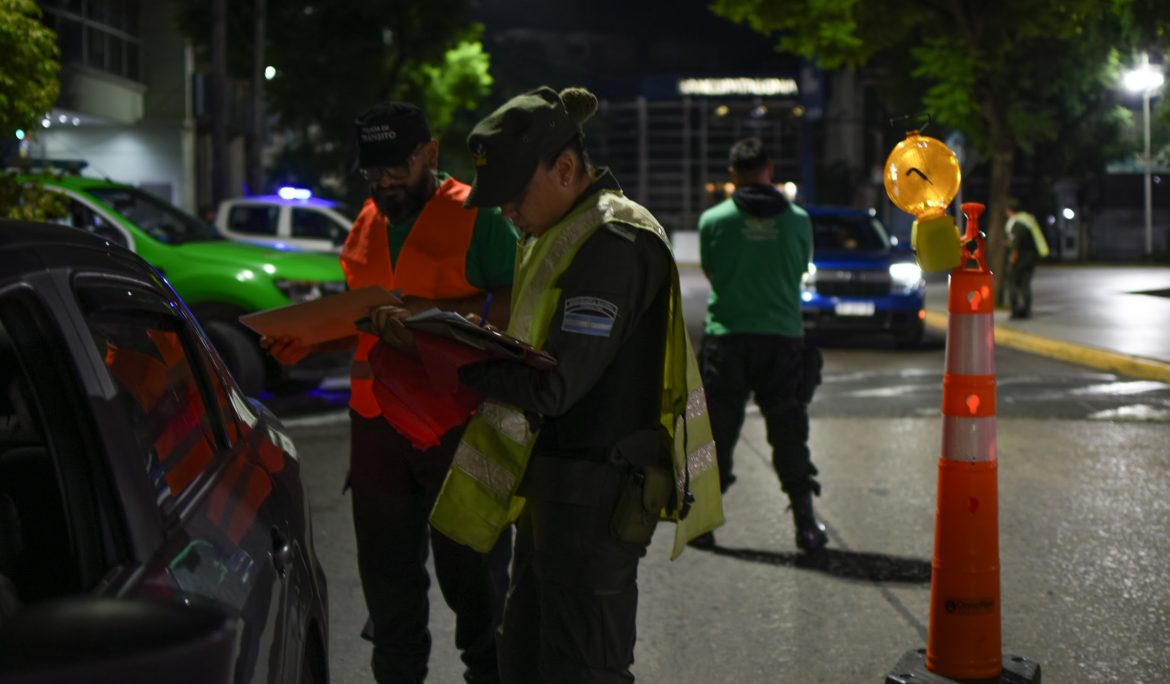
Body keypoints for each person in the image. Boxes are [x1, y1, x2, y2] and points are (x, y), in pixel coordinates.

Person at [415, 86, 723, 683]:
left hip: (595, 496)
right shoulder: (562, 231)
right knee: (527, 660)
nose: (505, 212)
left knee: (585, 669)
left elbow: (557, 385)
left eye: (512, 195)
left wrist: (459, 364)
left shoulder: (612, 242)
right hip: (559, 491)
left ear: (564, 168)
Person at [262, 101, 515, 684]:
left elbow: (515, 302)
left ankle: (492, 671)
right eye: (371, 171)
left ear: (429, 154)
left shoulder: (478, 215)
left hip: (457, 423)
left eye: (394, 168)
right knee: (386, 580)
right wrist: (308, 340)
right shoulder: (367, 221)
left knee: (474, 575)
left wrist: (440, 311)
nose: (381, 182)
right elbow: (365, 318)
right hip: (376, 427)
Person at [694, 137, 827, 553]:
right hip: (783, 341)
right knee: (789, 431)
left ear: (733, 175)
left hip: (728, 340)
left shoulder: (713, 221)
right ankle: (805, 523)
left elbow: (714, 272)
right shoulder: (800, 221)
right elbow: (799, 271)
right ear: (770, 171)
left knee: (716, 435)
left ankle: (703, 524)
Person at [1004, 199, 1049, 319]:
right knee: (1025, 283)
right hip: (1032, 257)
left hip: (1020, 257)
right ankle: (1027, 310)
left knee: (1012, 282)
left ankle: (1015, 310)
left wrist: (1012, 257)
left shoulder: (1017, 223)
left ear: (1010, 210)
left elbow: (1015, 242)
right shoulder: (1028, 219)